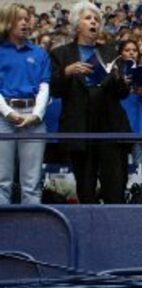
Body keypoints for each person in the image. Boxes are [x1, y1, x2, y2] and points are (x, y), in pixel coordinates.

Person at [50, 1, 131, 203]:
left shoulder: (111, 52)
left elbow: (122, 93)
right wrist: (67, 72)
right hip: (80, 127)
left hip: (110, 126)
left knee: (115, 186)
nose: (94, 22)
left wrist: (120, 79)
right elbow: (54, 89)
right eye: (88, 18)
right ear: (77, 25)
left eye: (96, 19)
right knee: (85, 187)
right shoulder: (61, 54)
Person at [0, 3, 51, 204]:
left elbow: (44, 86)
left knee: (32, 182)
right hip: (4, 117)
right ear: (7, 22)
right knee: (2, 180)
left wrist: (36, 115)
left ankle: (33, 229)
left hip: (33, 117)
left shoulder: (39, 53)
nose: (25, 23)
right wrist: (7, 113)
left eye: (27, 19)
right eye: (19, 19)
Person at [118, 38, 142, 165]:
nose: (131, 53)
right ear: (120, 54)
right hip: (119, 132)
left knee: (140, 177)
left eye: (134, 50)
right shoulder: (115, 76)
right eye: (127, 50)